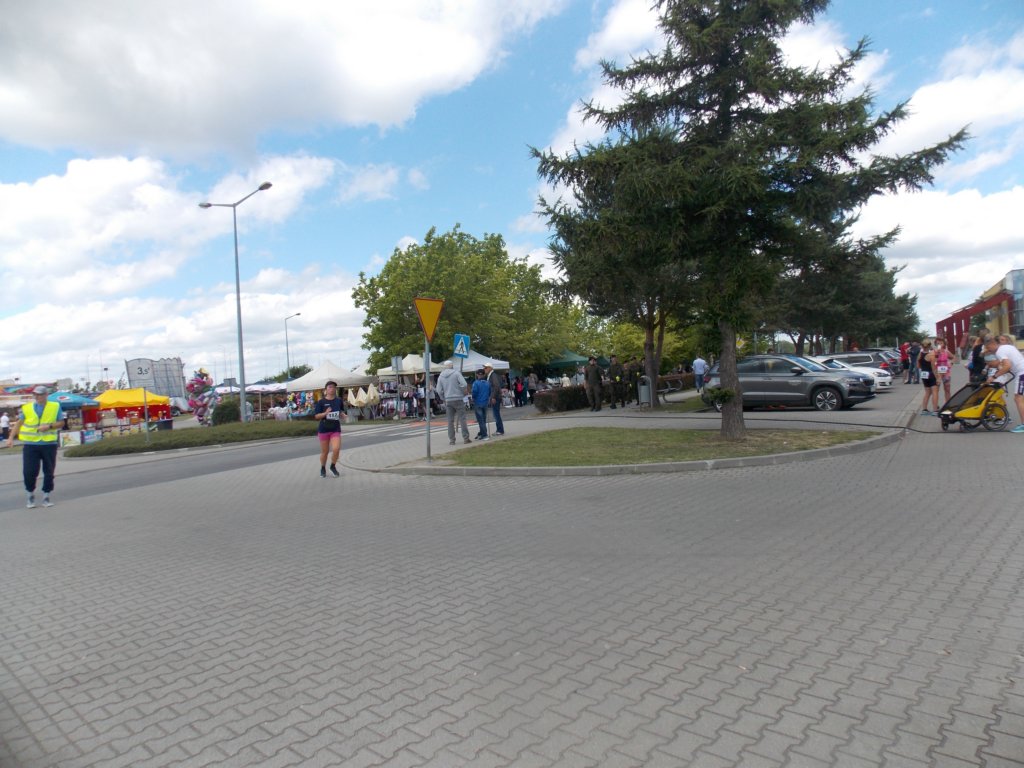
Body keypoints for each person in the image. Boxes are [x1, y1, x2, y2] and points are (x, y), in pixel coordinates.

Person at [6, 385, 64, 508]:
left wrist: (48, 426)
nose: (37, 397)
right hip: (31, 445)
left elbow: (61, 423)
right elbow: (18, 424)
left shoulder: (55, 406)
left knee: (49, 471)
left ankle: (46, 496)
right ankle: (30, 494)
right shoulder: (27, 408)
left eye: (40, 394)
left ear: (46, 395)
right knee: (29, 471)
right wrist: (10, 438)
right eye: (35, 394)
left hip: (49, 444)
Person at [984, 335, 1024, 432]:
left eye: (988, 348)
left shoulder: (999, 351)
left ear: (993, 344)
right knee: (1020, 398)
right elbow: (1009, 364)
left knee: (1018, 398)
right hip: (1021, 371)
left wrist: (994, 377)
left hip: (1021, 373)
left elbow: (1007, 366)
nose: (989, 350)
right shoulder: (1007, 347)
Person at [436, 360, 471, 445]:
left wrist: (443, 398)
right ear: (452, 366)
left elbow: (438, 390)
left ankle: (452, 440)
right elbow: (464, 384)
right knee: (462, 419)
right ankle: (466, 438)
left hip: (448, 400)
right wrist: (461, 392)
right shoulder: (456, 373)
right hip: (458, 398)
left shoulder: (441, 376)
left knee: (450, 421)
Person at [314, 380, 344, 477]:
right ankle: (323, 468)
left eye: (334, 387)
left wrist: (343, 415)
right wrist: (325, 413)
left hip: (335, 428)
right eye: (330, 387)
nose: (332, 389)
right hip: (324, 429)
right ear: (326, 390)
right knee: (325, 452)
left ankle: (333, 466)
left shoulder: (338, 400)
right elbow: (316, 416)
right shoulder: (321, 402)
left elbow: (340, 411)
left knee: (336, 448)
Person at [918, 341, 939, 415]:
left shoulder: (920, 355)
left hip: (923, 374)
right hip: (931, 374)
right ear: (929, 346)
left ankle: (924, 409)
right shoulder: (931, 355)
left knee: (927, 392)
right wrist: (937, 378)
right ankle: (935, 410)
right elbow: (934, 368)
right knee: (935, 392)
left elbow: (918, 366)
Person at [484, 363, 505, 436]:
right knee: (496, 414)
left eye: (486, 368)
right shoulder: (490, 375)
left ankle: (500, 430)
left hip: (495, 397)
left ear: (490, 368)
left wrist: (493, 397)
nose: (484, 369)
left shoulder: (493, 375)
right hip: (495, 396)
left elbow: (496, 386)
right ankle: (499, 430)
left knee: (496, 414)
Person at [471, 368, 491, 440]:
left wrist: (473, 398)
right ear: (484, 374)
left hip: (478, 402)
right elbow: (489, 392)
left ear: (477, 375)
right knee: (483, 419)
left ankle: (484, 435)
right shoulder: (487, 383)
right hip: (485, 402)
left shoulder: (476, 383)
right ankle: (482, 433)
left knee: (480, 420)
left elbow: (474, 392)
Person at [933, 338, 953, 404]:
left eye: (941, 343)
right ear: (936, 344)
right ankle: (936, 404)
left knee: (947, 388)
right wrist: (937, 354)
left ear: (944, 344)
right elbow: (933, 362)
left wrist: (951, 363)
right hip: (937, 372)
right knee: (936, 389)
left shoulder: (946, 351)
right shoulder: (934, 352)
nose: (939, 344)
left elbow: (953, 357)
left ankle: (948, 404)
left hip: (946, 372)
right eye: (938, 343)